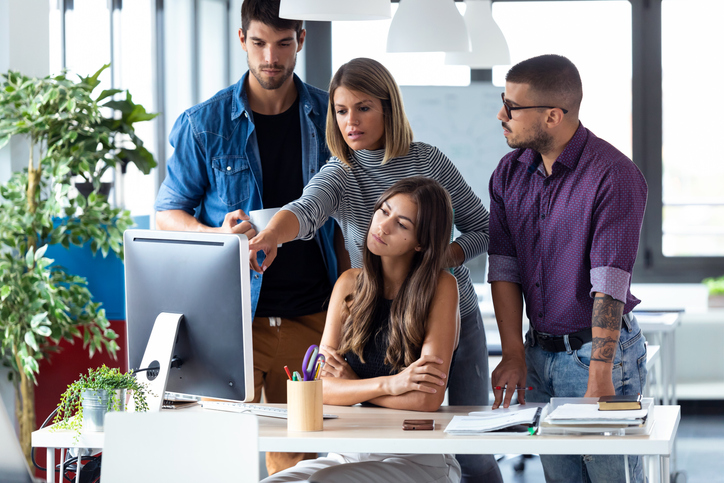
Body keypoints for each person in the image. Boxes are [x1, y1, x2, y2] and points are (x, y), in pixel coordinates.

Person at [250, 57, 502, 482]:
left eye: (363, 107)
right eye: (341, 110)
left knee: (470, 446)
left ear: (388, 108)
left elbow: (483, 229)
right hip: (375, 311)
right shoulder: (341, 173)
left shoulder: (429, 162)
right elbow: (305, 210)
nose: (351, 121)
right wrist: (271, 236)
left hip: (441, 310)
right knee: (372, 421)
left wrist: (438, 260)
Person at [153, 0, 343, 474]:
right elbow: (165, 214)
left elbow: (351, 211)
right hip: (231, 321)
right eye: (258, 43)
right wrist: (214, 234)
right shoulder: (205, 123)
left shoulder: (331, 116)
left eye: (283, 43)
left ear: (301, 39)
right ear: (242, 40)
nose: (270, 57)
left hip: (312, 318)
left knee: (298, 464)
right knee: (215, 455)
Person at [488, 54, 648, 483]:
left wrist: (599, 374)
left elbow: (609, 283)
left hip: (597, 358)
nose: (502, 115)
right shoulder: (508, 173)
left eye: (513, 107)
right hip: (539, 354)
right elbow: (504, 269)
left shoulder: (614, 175)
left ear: (553, 116)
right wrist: (514, 353)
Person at [263, 177, 461, 483]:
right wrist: (392, 385)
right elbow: (322, 389)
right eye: (383, 211)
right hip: (348, 454)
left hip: (414, 457)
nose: (383, 226)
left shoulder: (441, 287)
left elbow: (426, 400)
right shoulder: (348, 284)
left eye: (402, 224)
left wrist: (352, 386)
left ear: (421, 242)